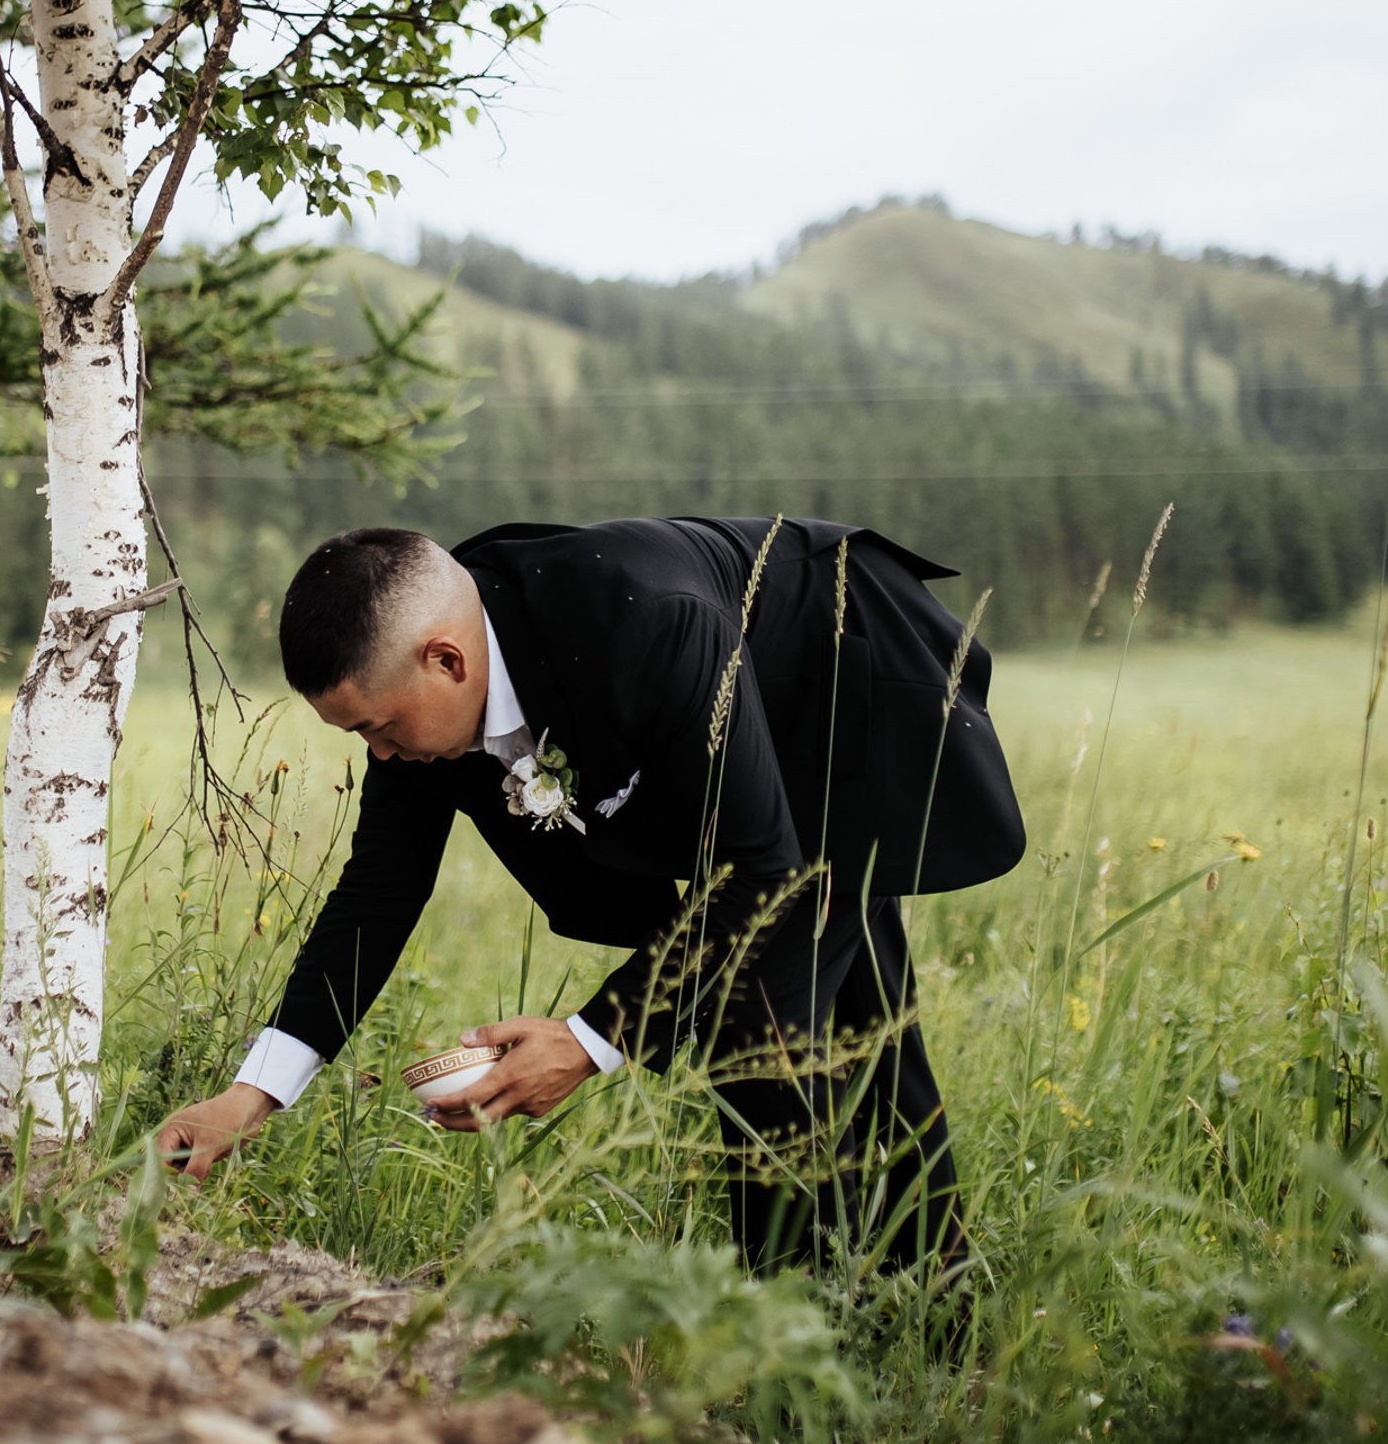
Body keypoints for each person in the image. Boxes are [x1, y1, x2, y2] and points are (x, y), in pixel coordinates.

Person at [158, 516, 1025, 1271]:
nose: (378, 755)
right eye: (360, 736)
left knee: (756, 1024)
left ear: (448, 659)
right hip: (750, 765)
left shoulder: (641, 624)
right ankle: (923, 1303)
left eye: (378, 728)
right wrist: (252, 1094)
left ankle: (791, 1332)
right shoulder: (418, 703)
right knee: (853, 1019)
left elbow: (759, 871)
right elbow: (377, 892)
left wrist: (588, 1040)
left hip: (846, 687)